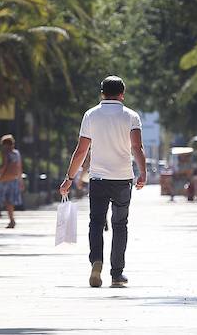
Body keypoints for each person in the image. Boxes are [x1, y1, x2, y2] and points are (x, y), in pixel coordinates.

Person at [59, 76, 146, 288]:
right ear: (122, 94)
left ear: (102, 93)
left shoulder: (91, 115)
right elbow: (136, 147)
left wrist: (69, 178)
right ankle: (117, 274)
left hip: (97, 178)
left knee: (96, 223)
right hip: (123, 179)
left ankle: (96, 261)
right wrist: (143, 172)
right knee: (120, 224)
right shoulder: (131, 116)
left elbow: (81, 150)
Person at [0, 134, 23, 229]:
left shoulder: (3, 153)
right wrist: (20, 181)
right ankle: (12, 219)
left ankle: (12, 220)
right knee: (10, 201)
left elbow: (3, 167)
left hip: (5, 180)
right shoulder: (16, 153)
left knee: (7, 201)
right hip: (14, 179)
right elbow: (19, 168)